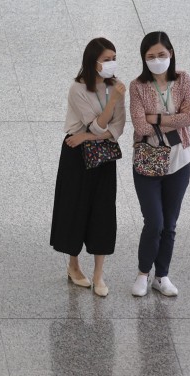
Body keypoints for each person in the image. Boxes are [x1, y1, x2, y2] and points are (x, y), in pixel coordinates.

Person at [50, 37, 127, 297]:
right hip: (76, 153)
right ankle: (73, 265)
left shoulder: (116, 88)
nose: (111, 64)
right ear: (92, 61)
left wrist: (89, 136)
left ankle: (98, 274)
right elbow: (97, 124)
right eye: (106, 59)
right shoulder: (78, 89)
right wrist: (90, 132)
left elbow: (117, 129)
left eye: (114, 58)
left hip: (102, 155)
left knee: (103, 210)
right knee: (75, 207)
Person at [129, 31, 190, 297]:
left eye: (161, 55)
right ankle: (143, 273)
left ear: (171, 53)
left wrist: (156, 117)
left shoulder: (183, 79)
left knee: (170, 223)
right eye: (151, 56)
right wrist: (171, 117)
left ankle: (162, 275)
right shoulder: (137, 86)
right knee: (154, 222)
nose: (157, 60)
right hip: (148, 161)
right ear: (143, 59)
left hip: (179, 161)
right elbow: (139, 124)